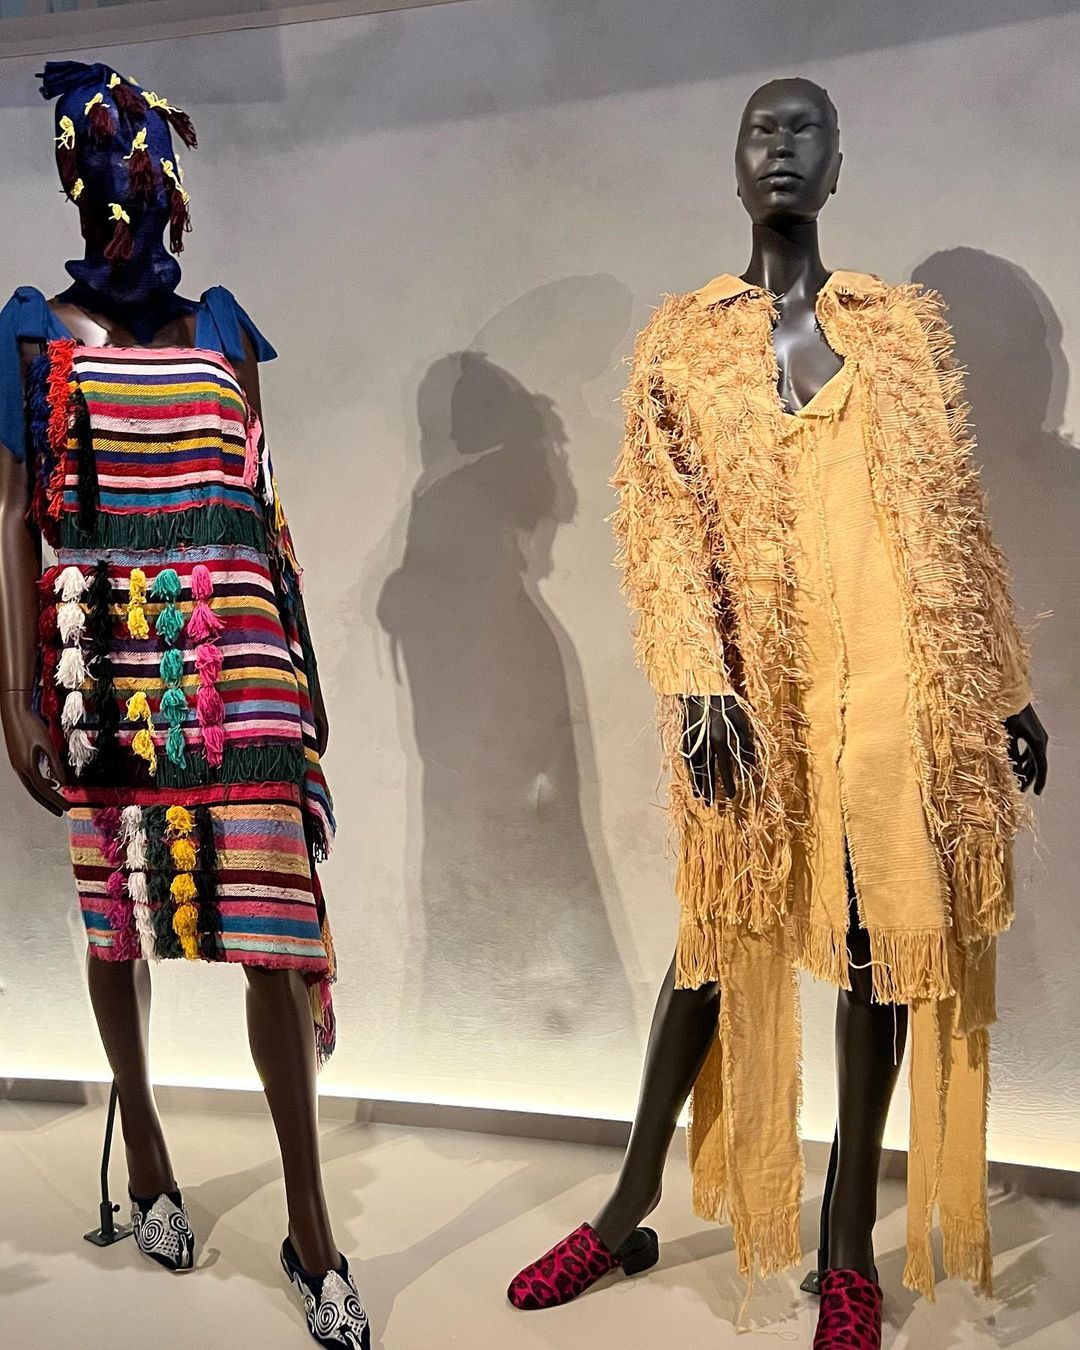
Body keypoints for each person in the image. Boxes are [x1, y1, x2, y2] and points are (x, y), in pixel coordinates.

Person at [507, 78, 1047, 1350]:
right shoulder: (683, 342)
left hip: (899, 688)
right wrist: (699, 679)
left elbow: (955, 518)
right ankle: (629, 1205)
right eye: (764, 128)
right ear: (735, 164)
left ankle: (848, 1247)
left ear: (839, 163)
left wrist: (1007, 689)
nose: (785, 147)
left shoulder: (899, 332)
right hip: (757, 695)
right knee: (714, 939)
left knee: (876, 948)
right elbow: (660, 528)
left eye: (808, 130)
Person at [0, 61, 367, 1350]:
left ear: (174, 184)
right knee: (119, 914)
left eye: (145, 169)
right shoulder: (35, 331)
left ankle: (312, 1225)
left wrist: (304, 665)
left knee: (274, 926)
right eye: (104, 171)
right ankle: (147, 1144)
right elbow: (11, 516)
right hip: (98, 652)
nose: (129, 193)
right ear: (76, 183)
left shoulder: (221, 327)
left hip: (241, 651)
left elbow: (263, 503)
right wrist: (15, 698)